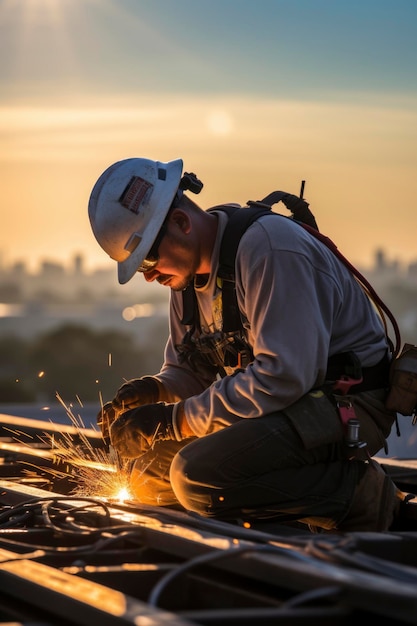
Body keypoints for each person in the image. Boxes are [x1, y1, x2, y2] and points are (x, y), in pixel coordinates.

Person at [88, 156, 408, 533]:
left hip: (343, 403)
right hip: (281, 404)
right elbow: (192, 371)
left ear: (181, 222)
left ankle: (357, 494)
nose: (149, 276)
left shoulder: (269, 249)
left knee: (197, 477)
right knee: (147, 473)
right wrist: (155, 390)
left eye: (149, 260)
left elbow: (283, 377)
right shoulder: (185, 280)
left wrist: (172, 421)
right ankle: (276, 505)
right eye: (141, 267)